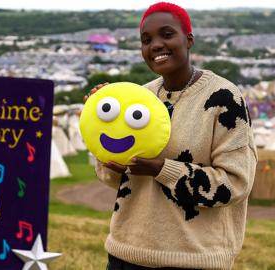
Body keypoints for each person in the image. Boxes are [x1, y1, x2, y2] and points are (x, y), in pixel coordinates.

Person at [86, 2, 257, 269]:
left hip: (193, 260)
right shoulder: (137, 98)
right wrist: (100, 121)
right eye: (146, 40)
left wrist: (160, 169)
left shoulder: (224, 99)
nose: (155, 45)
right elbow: (112, 179)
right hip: (125, 254)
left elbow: (234, 185)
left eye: (166, 35)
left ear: (189, 40)